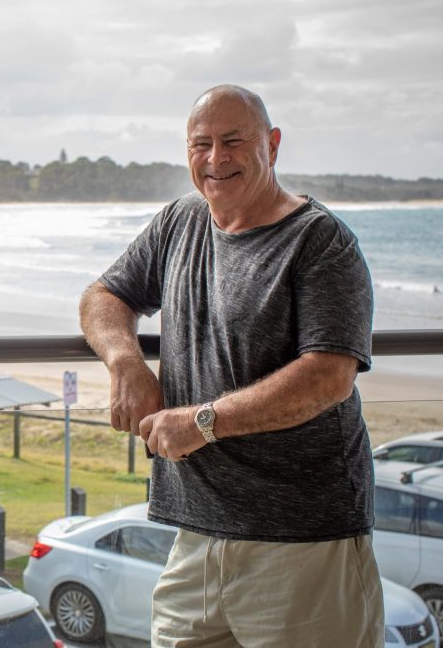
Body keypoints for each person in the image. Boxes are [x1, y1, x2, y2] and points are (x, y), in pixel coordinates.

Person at [79, 85, 383, 647]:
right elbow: (103, 296)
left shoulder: (321, 242)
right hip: (194, 533)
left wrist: (201, 423)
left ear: (271, 145)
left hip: (303, 540)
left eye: (233, 142)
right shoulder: (180, 223)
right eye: (202, 144)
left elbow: (328, 376)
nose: (216, 159)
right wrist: (126, 362)